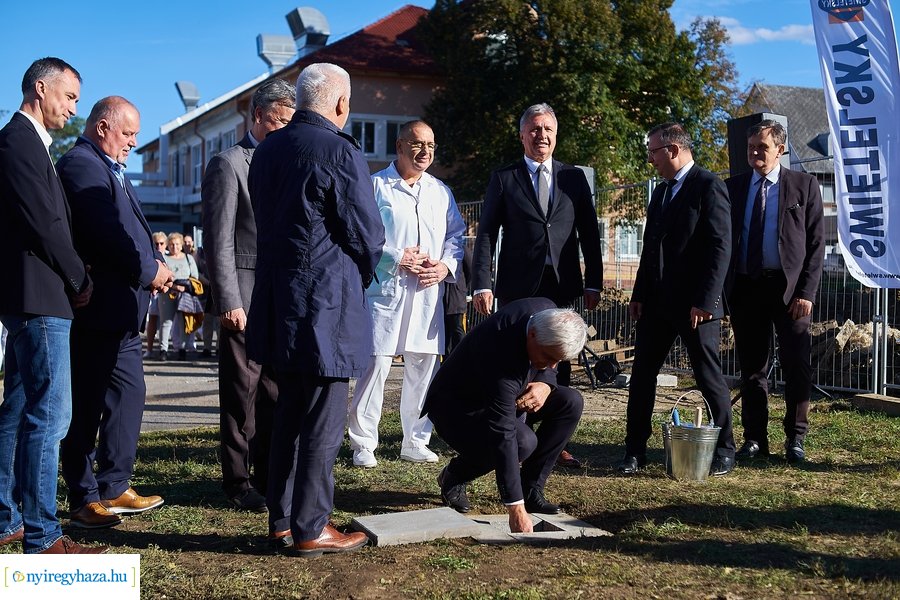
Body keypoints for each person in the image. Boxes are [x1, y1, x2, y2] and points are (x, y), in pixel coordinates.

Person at [247, 63, 384, 556]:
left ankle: (282, 519)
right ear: (341, 104)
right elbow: (366, 232)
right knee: (324, 418)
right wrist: (364, 272)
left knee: (288, 413)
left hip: (281, 300)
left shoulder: (266, 150)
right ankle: (311, 526)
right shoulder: (339, 150)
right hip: (326, 301)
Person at [0, 57, 103, 554]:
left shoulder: (29, 143)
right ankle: (42, 536)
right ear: (41, 89)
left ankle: (7, 517)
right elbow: (46, 224)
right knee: (51, 417)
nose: (73, 109)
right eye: (69, 97)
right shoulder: (19, 141)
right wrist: (80, 276)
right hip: (40, 297)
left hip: (34, 295)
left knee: (19, 411)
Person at [57, 96, 173, 528]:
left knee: (129, 395)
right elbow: (105, 234)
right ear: (103, 127)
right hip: (97, 307)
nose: (133, 143)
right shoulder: (83, 165)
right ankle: (84, 496)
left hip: (121, 312)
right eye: (127, 134)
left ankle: (115, 484)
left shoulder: (110, 169)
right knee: (87, 404)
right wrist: (149, 270)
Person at [472, 102, 603, 468]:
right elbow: (486, 235)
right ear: (522, 136)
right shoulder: (504, 177)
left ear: (555, 135)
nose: (540, 135)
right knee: (518, 358)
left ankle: (553, 441)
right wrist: (482, 283)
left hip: (561, 284)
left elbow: (589, 233)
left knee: (558, 359)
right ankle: (514, 433)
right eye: (533, 129)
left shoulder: (574, 178)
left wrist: (594, 280)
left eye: (546, 129)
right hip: (519, 286)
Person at [347, 120, 466, 468]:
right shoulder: (376, 187)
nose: (424, 151)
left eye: (430, 145)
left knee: (424, 366)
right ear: (399, 147)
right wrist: (398, 258)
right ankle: (363, 444)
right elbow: (364, 235)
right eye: (417, 144)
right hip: (387, 290)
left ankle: (415, 439)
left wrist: (444, 266)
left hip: (427, 291)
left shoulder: (440, 191)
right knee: (376, 365)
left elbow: (456, 236)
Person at [620, 122, 735, 477]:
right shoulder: (661, 192)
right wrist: (640, 293)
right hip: (657, 303)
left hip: (695, 306)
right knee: (641, 376)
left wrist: (706, 300)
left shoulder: (707, 185)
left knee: (707, 374)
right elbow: (650, 248)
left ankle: (724, 449)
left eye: (653, 151)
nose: (650, 159)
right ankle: (635, 450)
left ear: (672, 149)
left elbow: (720, 246)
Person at [201, 78, 295, 512]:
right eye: (277, 122)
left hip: (281, 299)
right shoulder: (228, 164)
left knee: (276, 393)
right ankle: (237, 482)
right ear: (257, 116)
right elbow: (218, 239)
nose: (284, 130)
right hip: (244, 296)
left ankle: (269, 472)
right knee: (242, 395)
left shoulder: (290, 161)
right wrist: (229, 300)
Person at [423, 298, 587, 533]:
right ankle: (456, 474)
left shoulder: (548, 315)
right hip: (459, 410)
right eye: (548, 358)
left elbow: (550, 364)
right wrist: (515, 509)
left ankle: (531, 488)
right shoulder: (498, 350)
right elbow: (503, 431)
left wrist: (545, 382)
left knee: (570, 402)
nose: (551, 366)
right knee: (523, 442)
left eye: (557, 361)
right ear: (531, 335)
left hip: (507, 395)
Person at [725, 120, 825, 464]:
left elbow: (816, 244)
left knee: (797, 365)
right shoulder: (734, 188)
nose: (754, 153)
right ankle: (754, 439)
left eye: (762, 147)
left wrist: (807, 293)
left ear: (780, 149)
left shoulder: (804, 185)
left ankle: (795, 438)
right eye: (750, 147)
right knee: (753, 369)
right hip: (746, 289)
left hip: (791, 292)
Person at [158, 232, 199, 360]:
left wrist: (183, 287)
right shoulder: (164, 259)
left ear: (181, 245)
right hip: (167, 294)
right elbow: (161, 278)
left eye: (176, 244)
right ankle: (163, 350)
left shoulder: (188, 258)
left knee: (183, 322)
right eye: (171, 244)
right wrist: (175, 287)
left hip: (185, 294)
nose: (174, 247)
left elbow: (195, 277)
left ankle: (182, 349)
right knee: (166, 322)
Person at [144, 231, 169, 358]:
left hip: (167, 295)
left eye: (161, 243)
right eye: (156, 243)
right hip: (154, 295)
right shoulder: (150, 256)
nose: (159, 246)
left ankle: (163, 349)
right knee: (152, 321)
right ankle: (149, 349)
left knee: (166, 323)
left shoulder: (169, 258)